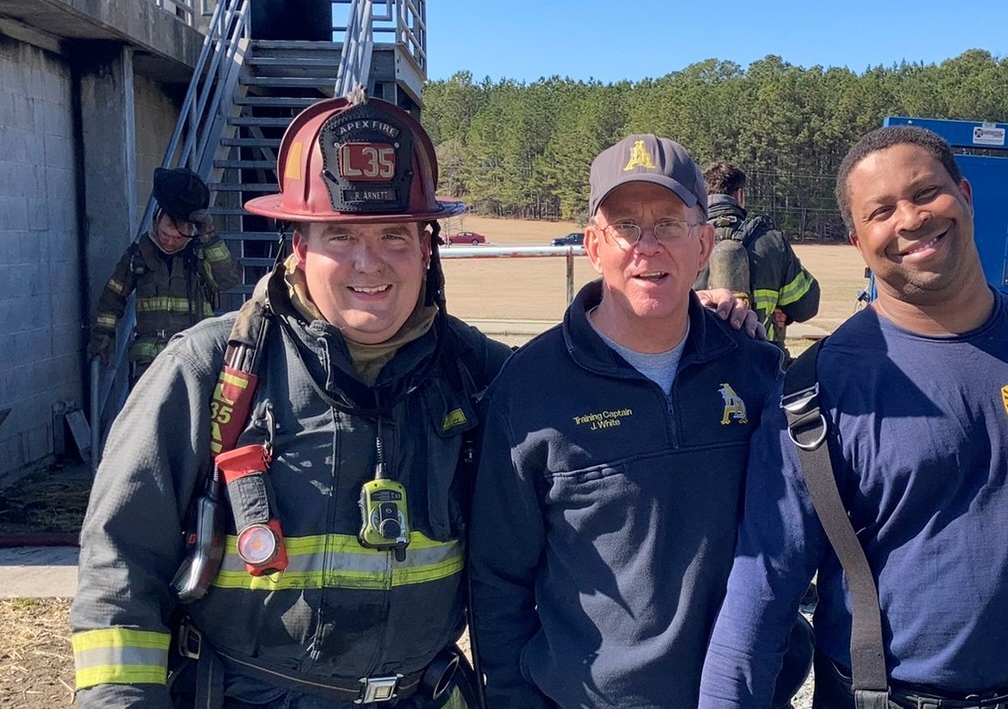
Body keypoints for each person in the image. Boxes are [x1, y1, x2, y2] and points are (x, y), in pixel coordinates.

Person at [70, 99, 758, 709]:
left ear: (428, 250)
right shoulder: (209, 373)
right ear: (298, 247)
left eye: (395, 235)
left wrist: (688, 320)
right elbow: (117, 571)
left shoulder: (482, 376)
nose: (371, 262)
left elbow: (597, 402)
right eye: (341, 235)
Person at [699, 126, 1008, 709]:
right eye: (881, 211)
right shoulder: (813, 393)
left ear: (967, 196)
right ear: (858, 240)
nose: (909, 219)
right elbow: (762, 590)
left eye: (925, 192)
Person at [469, 134, 813, 709]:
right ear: (593, 245)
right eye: (626, 226)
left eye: (670, 225)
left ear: (704, 244)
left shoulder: (757, 372)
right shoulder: (530, 389)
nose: (647, 247)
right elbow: (497, 582)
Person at [87, 167, 242, 384]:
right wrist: (103, 335)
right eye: (165, 234)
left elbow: (229, 279)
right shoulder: (138, 254)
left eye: (177, 238)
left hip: (196, 356)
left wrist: (209, 236)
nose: (169, 241)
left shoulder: (201, 252)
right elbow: (113, 297)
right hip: (150, 363)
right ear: (157, 219)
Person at [694, 161, 820, 351]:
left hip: (699, 363)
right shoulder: (772, 241)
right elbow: (806, 305)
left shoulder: (686, 240)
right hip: (761, 361)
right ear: (740, 195)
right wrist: (783, 311)